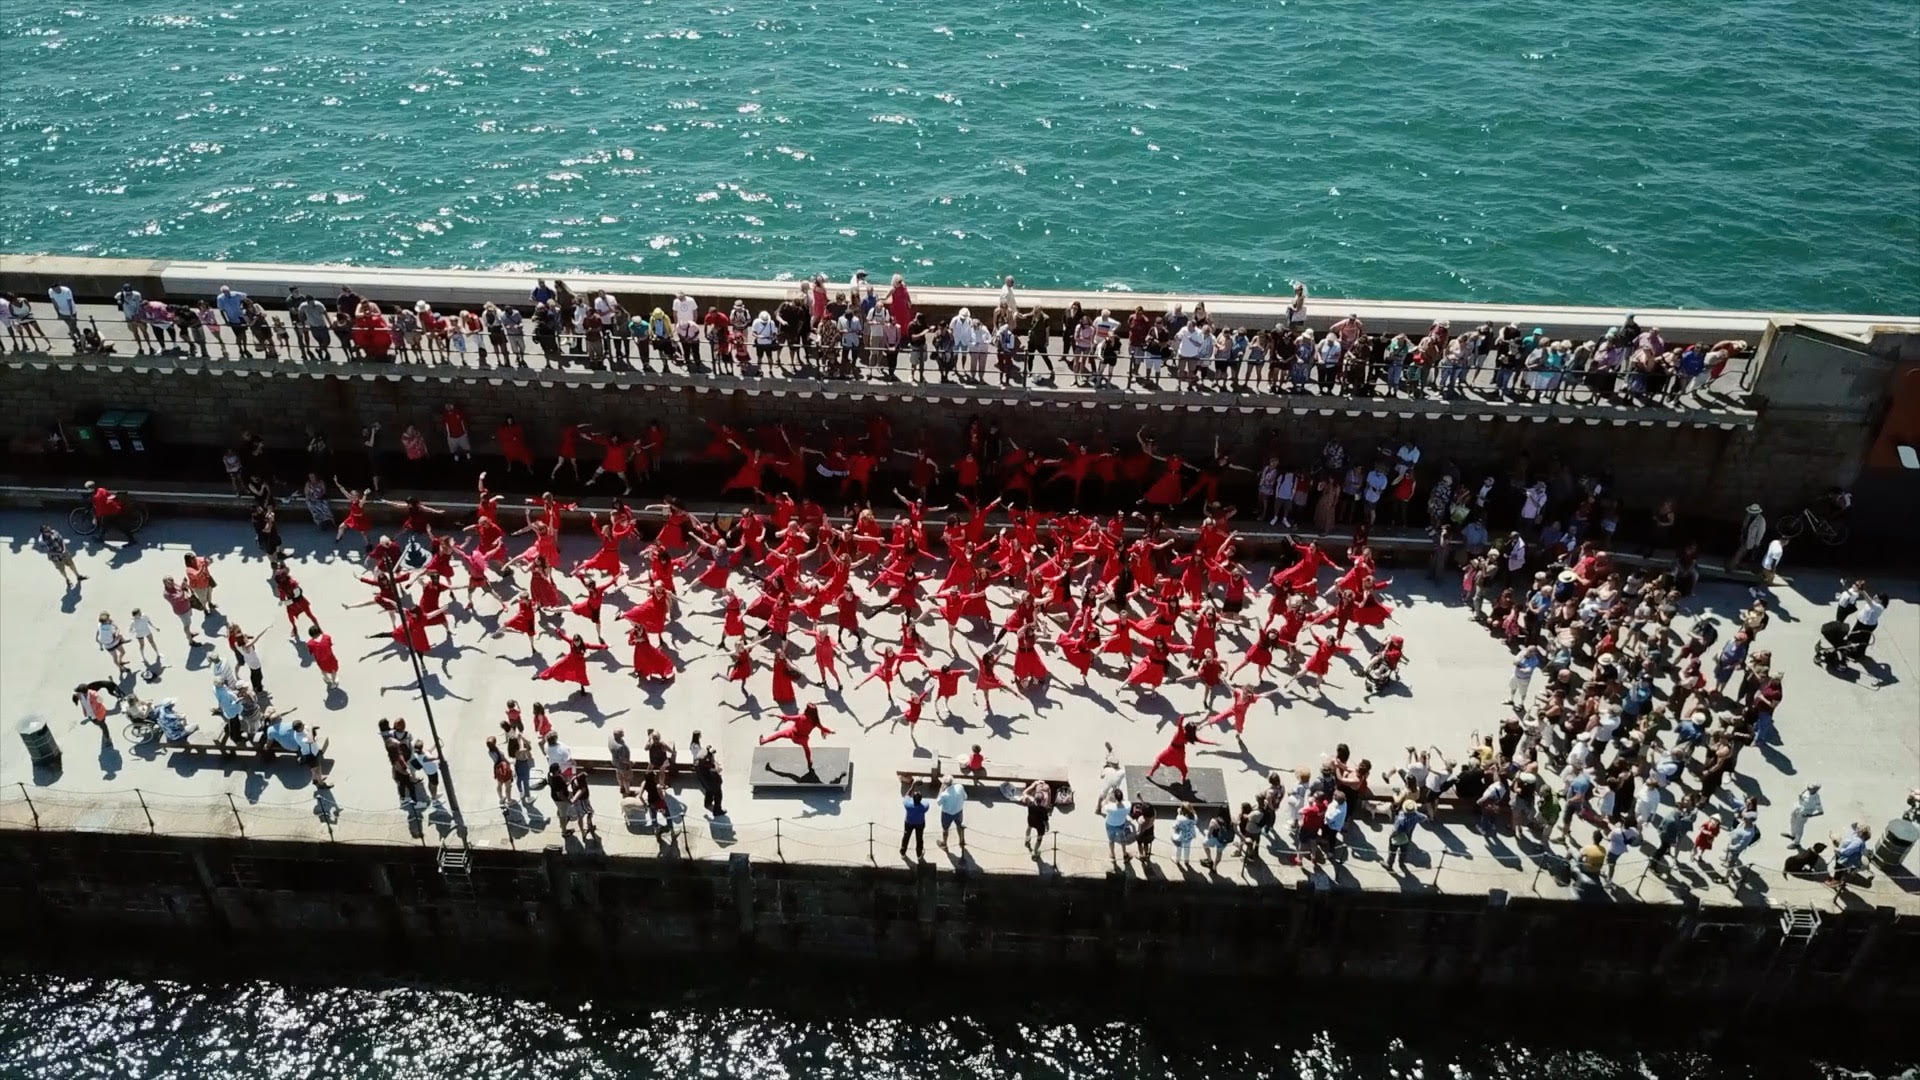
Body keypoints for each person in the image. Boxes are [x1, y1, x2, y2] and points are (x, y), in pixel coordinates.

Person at [1786, 784, 1824, 849]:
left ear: (1815, 790)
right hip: (1797, 808)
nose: (1808, 788)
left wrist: (1811, 815)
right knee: (1792, 822)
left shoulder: (1816, 799)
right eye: (1808, 787)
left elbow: (1821, 812)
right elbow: (1802, 793)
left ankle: (1796, 843)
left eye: (1810, 788)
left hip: (1803, 814)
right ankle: (1793, 835)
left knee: (1799, 828)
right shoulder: (1807, 791)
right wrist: (1800, 796)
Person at [936, 774, 967, 851]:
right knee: (959, 826)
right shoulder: (960, 787)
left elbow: (938, 802)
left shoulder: (944, 794)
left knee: (945, 829)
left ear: (944, 784)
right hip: (959, 811)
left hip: (947, 814)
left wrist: (940, 790)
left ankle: (944, 843)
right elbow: (965, 797)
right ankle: (961, 841)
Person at [95, 612, 130, 676]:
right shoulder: (110, 627)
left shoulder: (99, 625)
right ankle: (121, 666)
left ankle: (120, 664)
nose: (110, 619)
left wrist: (100, 644)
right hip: (113, 642)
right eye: (108, 618)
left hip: (107, 646)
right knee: (121, 653)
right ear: (106, 621)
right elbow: (117, 630)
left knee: (118, 656)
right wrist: (117, 628)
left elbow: (98, 633)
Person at [901, 788, 930, 861]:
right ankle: (919, 854)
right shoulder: (925, 806)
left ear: (913, 798)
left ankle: (903, 852)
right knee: (919, 838)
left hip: (909, 823)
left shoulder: (907, 804)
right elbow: (925, 802)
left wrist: (912, 787)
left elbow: (907, 795)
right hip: (920, 823)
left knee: (906, 837)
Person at [609, 729, 636, 798]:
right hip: (623, 765)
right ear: (618, 735)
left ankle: (622, 787)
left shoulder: (611, 739)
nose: (623, 733)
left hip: (615, 762)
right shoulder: (620, 747)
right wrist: (630, 763)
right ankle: (628, 792)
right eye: (621, 733)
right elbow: (623, 759)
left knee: (619, 775)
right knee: (626, 779)